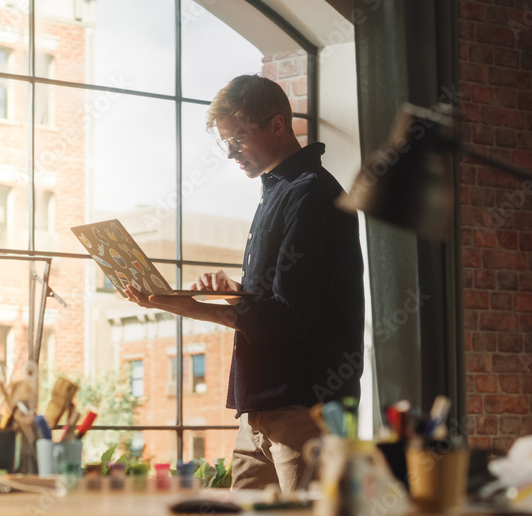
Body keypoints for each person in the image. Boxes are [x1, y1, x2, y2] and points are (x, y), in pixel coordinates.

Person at [124, 74, 364, 494]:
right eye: (224, 141)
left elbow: (287, 319)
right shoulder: (278, 192)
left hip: (307, 410)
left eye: (238, 137)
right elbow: (282, 298)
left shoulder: (312, 196)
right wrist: (236, 291)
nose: (231, 152)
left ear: (276, 125)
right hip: (260, 410)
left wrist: (184, 306)